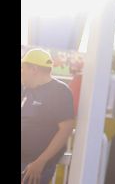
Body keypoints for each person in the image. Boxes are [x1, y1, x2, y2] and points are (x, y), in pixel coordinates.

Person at [21, 48, 76, 184]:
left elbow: (66, 129)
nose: (21, 72)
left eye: (23, 68)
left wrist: (40, 162)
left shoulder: (59, 91)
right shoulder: (27, 89)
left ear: (34, 69)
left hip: (33, 166)